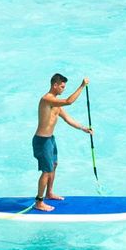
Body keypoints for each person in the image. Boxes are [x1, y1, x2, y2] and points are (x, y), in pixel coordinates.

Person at [32, 73, 91, 210]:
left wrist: (84, 128)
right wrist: (82, 85)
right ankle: (39, 202)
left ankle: (49, 193)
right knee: (46, 171)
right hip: (42, 141)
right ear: (55, 85)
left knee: (54, 164)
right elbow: (69, 101)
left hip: (50, 139)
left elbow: (68, 119)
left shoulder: (56, 104)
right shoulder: (46, 99)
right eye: (62, 87)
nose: (63, 89)